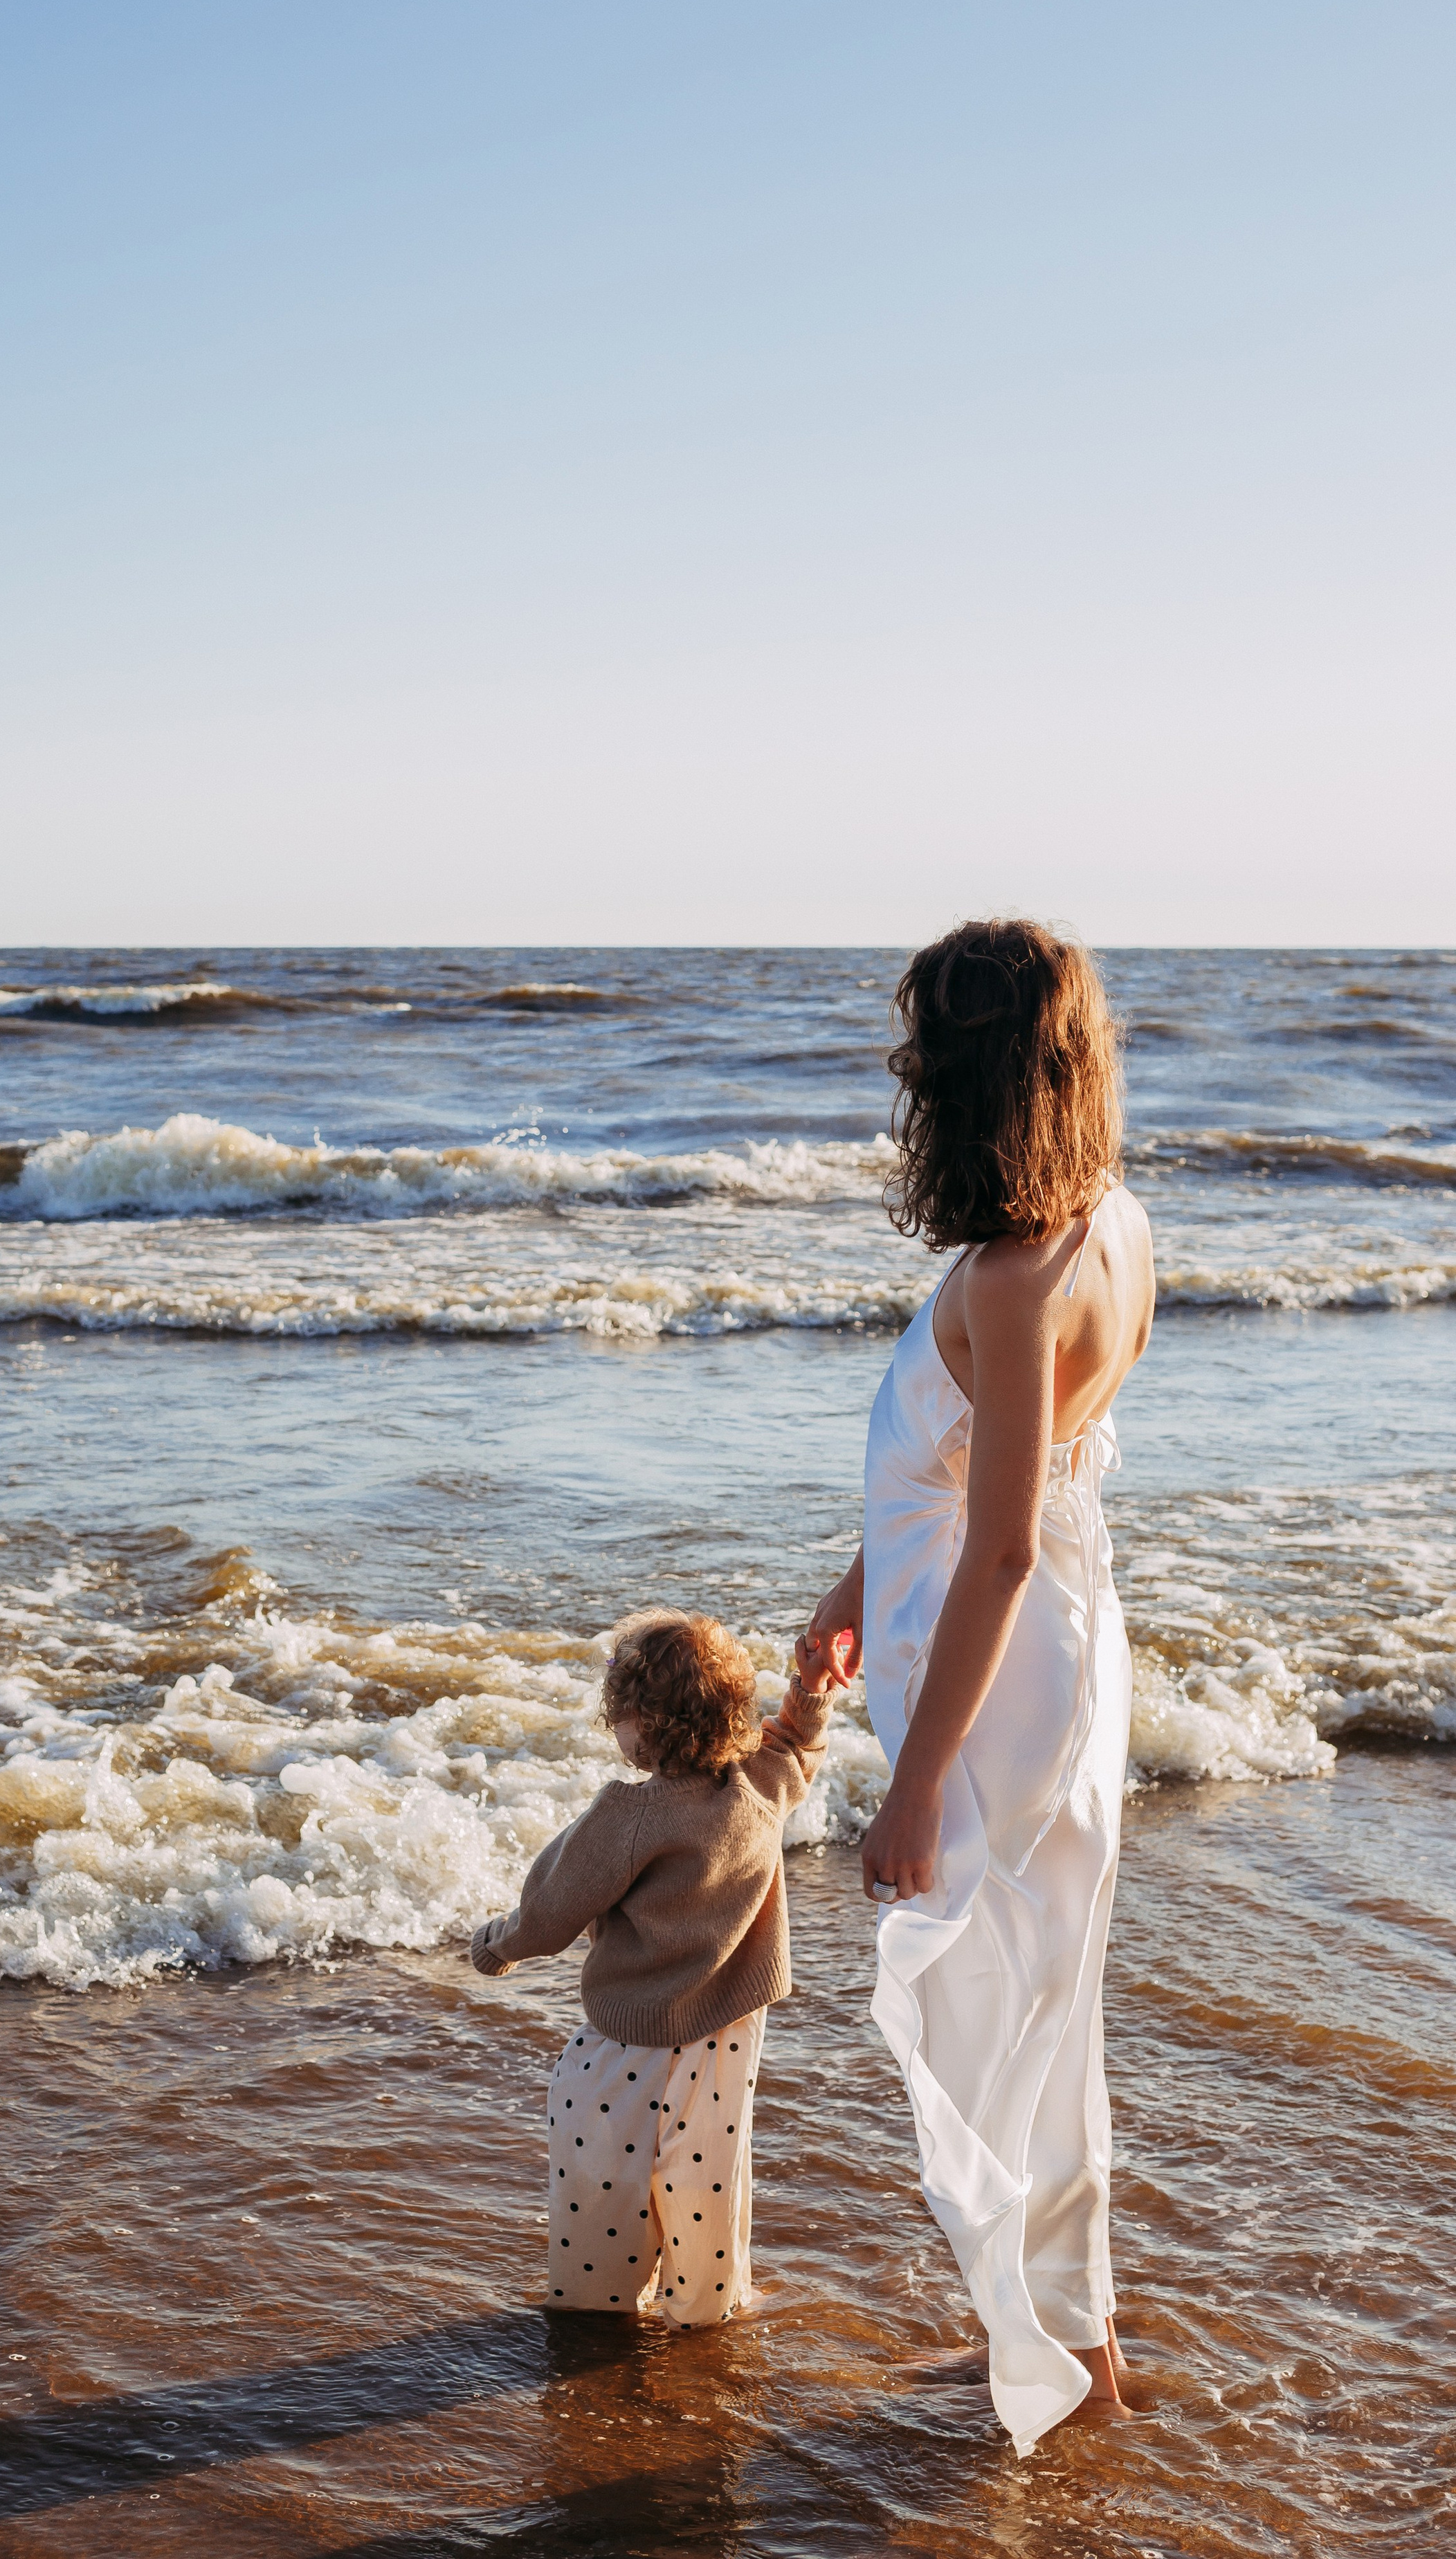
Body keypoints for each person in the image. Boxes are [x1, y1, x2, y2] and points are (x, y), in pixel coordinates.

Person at [801, 919, 1154, 2455]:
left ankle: (1058, 2352)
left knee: (992, 2020)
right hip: (1051, 1646)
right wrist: (851, 1593)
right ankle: (1056, 2343)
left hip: (1000, 1682)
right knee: (1032, 2015)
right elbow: (975, 1481)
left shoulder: (1015, 1277)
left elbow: (998, 1547)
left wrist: (911, 1780)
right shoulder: (1109, 1221)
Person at [469, 1608, 839, 2324]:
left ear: (642, 1722)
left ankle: (595, 2301)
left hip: (633, 2030)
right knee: (707, 2173)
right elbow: (797, 1745)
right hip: (729, 2025)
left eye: (622, 1717)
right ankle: (704, 2304)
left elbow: (552, 1910)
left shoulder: (628, 1816)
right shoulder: (759, 1782)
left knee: (600, 2162)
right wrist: (812, 1686)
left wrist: (496, 1943)